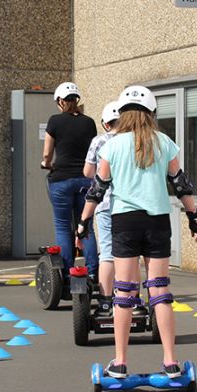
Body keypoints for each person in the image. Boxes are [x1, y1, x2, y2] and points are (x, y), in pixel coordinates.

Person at [77, 85, 197, 379]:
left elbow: (98, 188)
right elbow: (180, 183)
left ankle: (120, 362)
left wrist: (83, 221)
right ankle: (171, 362)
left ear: (122, 114)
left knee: (125, 292)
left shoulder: (112, 145)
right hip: (158, 221)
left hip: (125, 222)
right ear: (152, 113)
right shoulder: (165, 142)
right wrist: (194, 218)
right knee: (159, 289)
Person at [41, 82, 98, 279]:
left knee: (63, 226)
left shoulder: (54, 121)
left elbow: (47, 153)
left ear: (60, 101)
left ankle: (66, 274)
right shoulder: (89, 122)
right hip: (85, 180)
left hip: (61, 179)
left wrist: (46, 163)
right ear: (77, 100)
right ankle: (92, 273)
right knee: (86, 225)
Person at [78, 101, 120, 318]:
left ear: (105, 123)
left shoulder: (99, 141)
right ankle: (131, 298)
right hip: (128, 205)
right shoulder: (130, 141)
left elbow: (87, 172)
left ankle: (104, 301)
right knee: (130, 254)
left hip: (103, 203)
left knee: (107, 253)